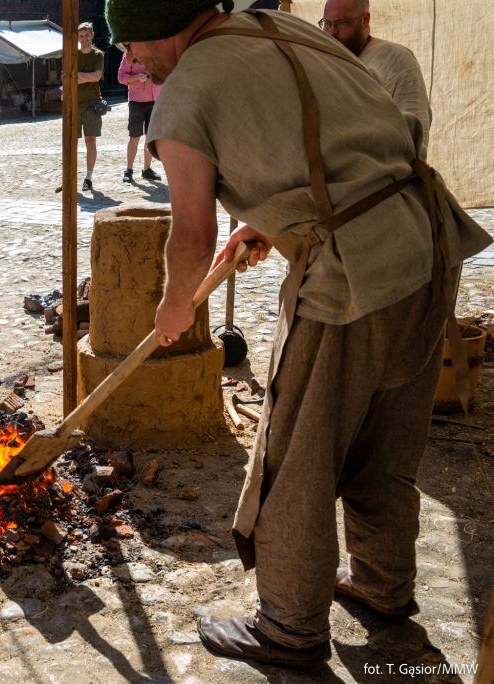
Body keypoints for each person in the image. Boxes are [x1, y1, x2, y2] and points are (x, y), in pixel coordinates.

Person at [103, 0, 492, 668]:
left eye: (132, 44)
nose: (127, 62)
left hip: (353, 275)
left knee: (297, 456)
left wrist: (173, 308)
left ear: (166, 23)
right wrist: (271, 216)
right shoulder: (274, 27)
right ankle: (382, 585)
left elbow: (191, 236)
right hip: (425, 239)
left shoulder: (186, 89)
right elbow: (343, 137)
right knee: (384, 441)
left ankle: (288, 625)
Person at [320, 0, 431, 158]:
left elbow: (416, 133)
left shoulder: (394, 58)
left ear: (365, 20)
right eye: (327, 23)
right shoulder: (326, 62)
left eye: (342, 23)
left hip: (384, 175)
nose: (332, 33)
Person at [117, 46, 161, 182]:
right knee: (134, 137)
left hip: (155, 100)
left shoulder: (158, 52)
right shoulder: (130, 54)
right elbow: (121, 77)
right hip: (137, 101)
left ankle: (147, 169)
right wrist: (136, 77)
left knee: (150, 138)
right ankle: (129, 170)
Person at [76, 22, 104, 192]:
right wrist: (85, 77)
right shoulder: (73, 55)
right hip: (74, 103)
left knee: (90, 140)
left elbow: (96, 76)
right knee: (70, 143)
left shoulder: (98, 55)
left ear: (92, 35)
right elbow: (66, 76)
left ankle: (88, 177)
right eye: (81, 36)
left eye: (87, 35)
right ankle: (69, 177)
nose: (84, 39)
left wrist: (78, 76)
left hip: (92, 103)